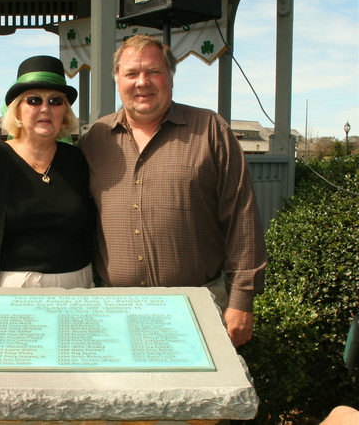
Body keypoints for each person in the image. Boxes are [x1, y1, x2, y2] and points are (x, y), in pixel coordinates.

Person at [79, 35, 267, 348]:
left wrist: (241, 300)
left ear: (170, 77)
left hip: (200, 306)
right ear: (117, 80)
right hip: (116, 308)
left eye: (153, 71)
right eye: (131, 74)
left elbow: (241, 218)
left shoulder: (209, 130)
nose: (142, 82)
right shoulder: (95, 139)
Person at [0, 55, 95, 303]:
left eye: (55, 101)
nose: (45, 108)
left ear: (65, 111)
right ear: (17, 108)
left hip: (77, 285)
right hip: (10, 289)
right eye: (34, 100)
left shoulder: (77, 160)